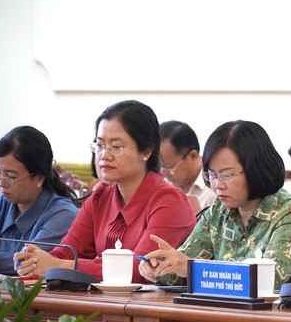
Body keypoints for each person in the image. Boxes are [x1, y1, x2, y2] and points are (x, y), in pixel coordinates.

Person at [14, 100, 197, 283]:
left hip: (152, 308)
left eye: (116, 147)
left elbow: (140, 269)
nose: (104, 156)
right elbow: (67, 251)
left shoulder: (169, 200)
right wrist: (35, 260)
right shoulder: (100, 196)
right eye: (100, 145)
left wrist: (57, 266)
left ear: (146, 152)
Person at [138, 120, 291, 290]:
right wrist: (160, 266)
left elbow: (266, 280)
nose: (217, 185)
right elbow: (182, 270)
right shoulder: (218, 212)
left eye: (227, 175)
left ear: (256, 169)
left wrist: (191, 269)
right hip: (225, 314)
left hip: (286, 319)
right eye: (212, 175)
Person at [0, 126, 79, 275]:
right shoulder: (1, 203)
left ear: (39, 177)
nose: (1, 183)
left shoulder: (63, 214)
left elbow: (28, 262)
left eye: (12, 177)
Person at [159, 121, 216, 213]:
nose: (164, 175)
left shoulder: (215, 189)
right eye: (160, 167)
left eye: (169, 168)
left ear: (193, 156)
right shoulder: (163, 187)